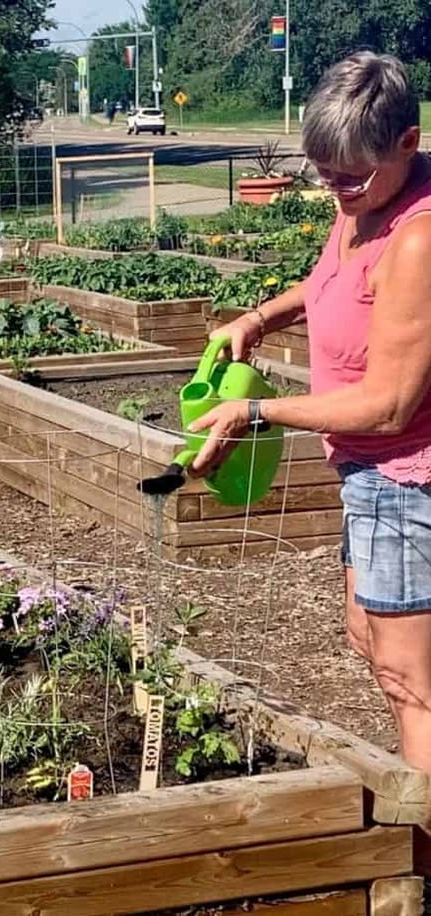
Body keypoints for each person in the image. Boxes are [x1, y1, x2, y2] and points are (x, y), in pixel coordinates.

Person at [190, 51, 431, 775]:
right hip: (368, 476)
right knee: (372, 641)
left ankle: (421, 862)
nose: (335, 190)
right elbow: (332, 280)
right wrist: (259, 318)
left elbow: (388, 408)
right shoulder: (365, 202)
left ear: (407, 145)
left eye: (348, 175)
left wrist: (257, 412)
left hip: (406, 482)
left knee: (410, 681)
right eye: (323, 174)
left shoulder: (418, 239)